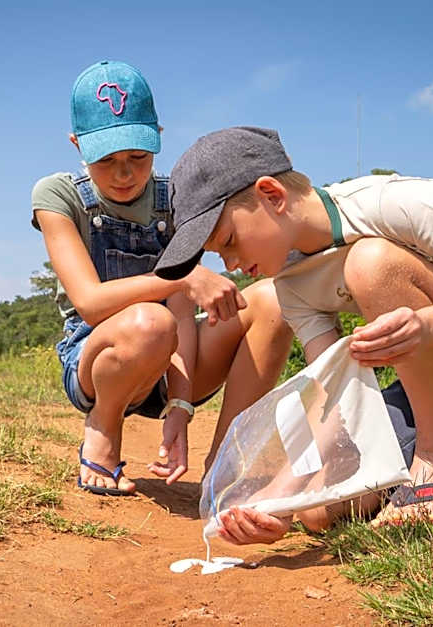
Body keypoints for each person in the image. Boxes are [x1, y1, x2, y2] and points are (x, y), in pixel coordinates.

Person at [154, 127, 433, 540]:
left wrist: (427, 325)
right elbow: (337, 395)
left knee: (371, 262)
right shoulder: (291, 284)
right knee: (318, 510)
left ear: (272, 195)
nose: (232, 262)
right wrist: (280, 501)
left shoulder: (394, 203)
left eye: (229, 241)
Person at [30, 66, 293, 496]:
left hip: (172, 356)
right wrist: (182, 278)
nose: (123, 174)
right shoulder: (57, 196)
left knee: (270, 301)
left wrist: (180, 406)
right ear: (76, 145)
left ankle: (224, 463)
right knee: (148, 323)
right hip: (99, 357)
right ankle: (104, 425)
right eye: (106, 161)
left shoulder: (173, 199)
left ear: (158, 135)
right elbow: (91, 303)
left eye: (137, 157)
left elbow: (182, 319)